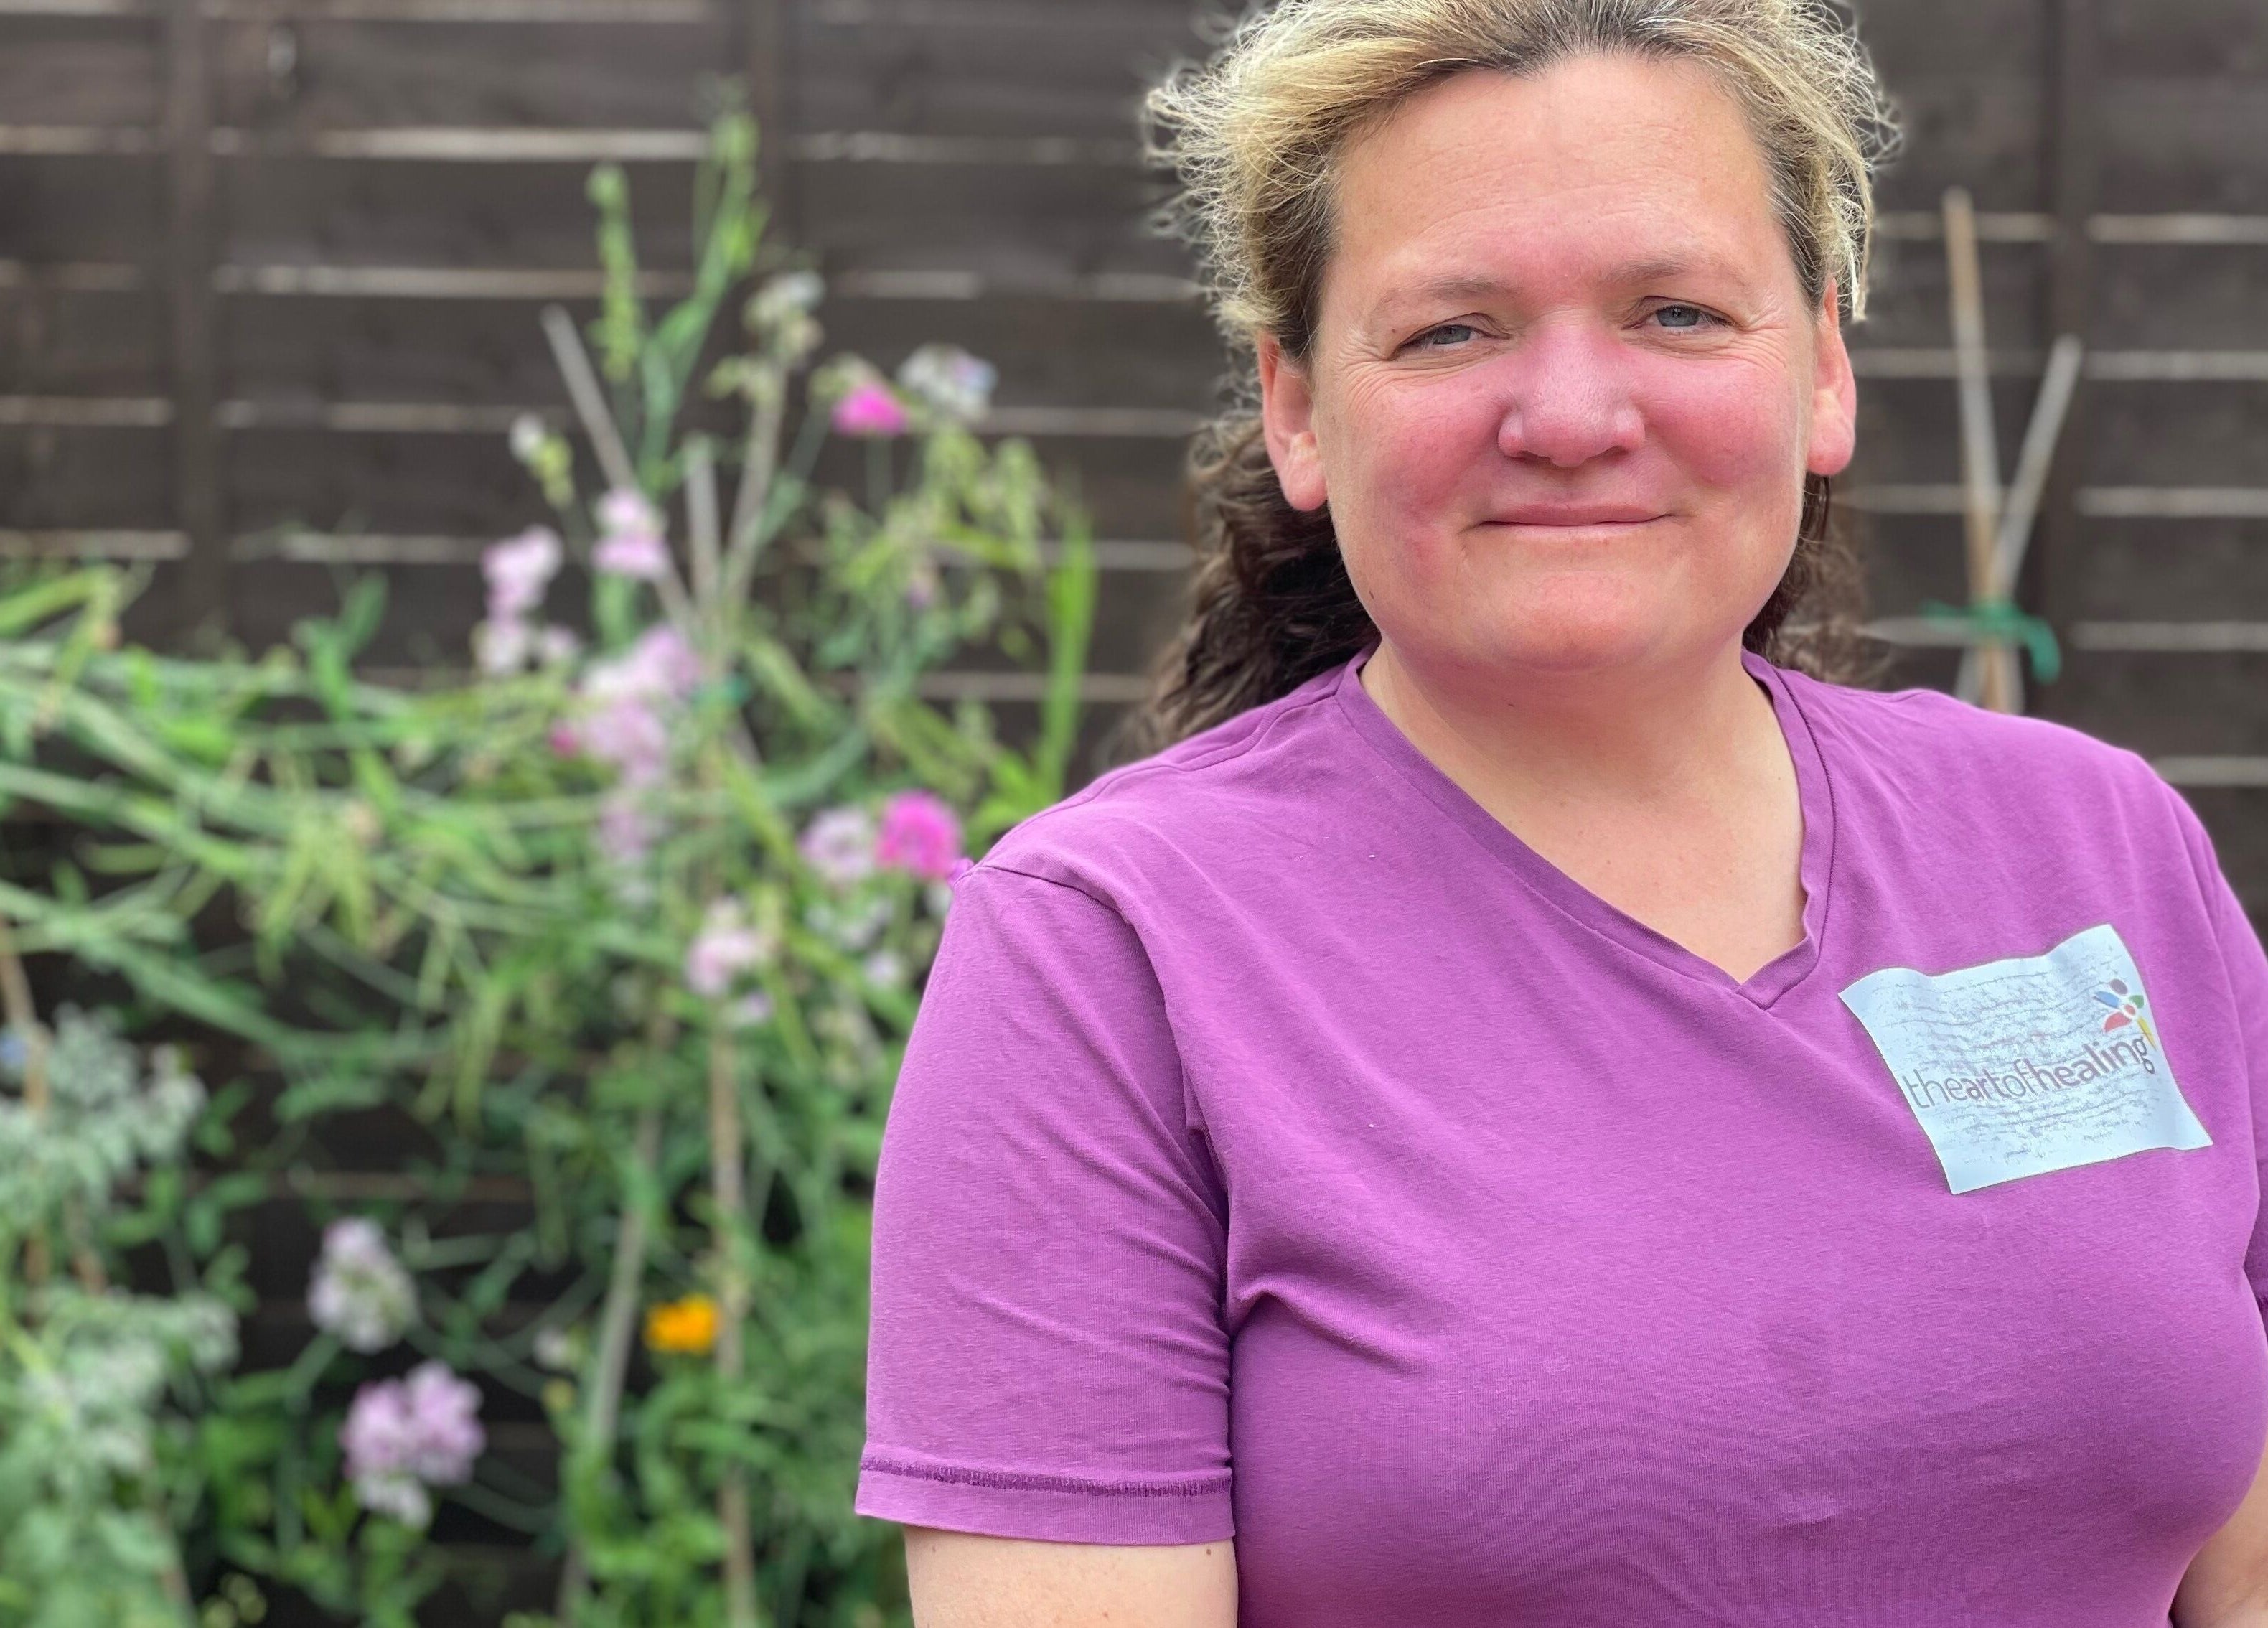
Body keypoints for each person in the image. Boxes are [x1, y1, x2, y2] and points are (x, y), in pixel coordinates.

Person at [853, 1, 2268, 1622]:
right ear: (1298, 411)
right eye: (1451, 329)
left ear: (1820, 371)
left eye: (1673, 311)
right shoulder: (1108, 952)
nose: (1573, 415)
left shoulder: (2091, 846)